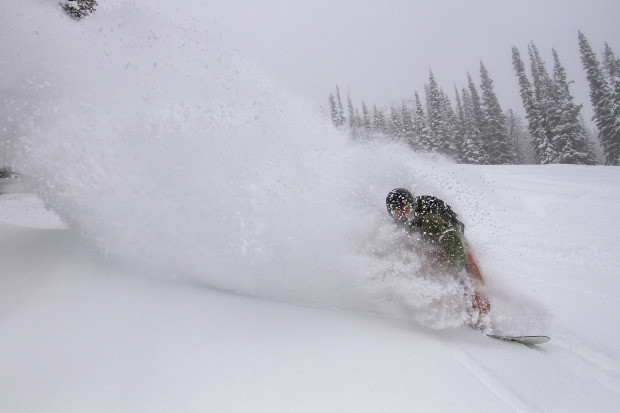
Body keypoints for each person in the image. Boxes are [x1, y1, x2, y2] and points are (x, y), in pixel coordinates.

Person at [385, 188, 490, 331]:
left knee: (471, 281)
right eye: (398, 213)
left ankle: (483, 318)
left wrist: (460, 274)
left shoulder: (429, 220)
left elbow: (453, 241)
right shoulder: (402, 226)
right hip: (437, 250)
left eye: (406, 209)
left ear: (413, 207)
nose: (403, 216)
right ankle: (465, 312)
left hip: (458, 248)